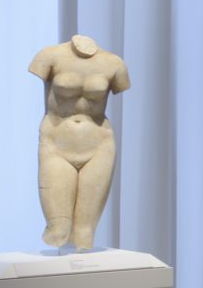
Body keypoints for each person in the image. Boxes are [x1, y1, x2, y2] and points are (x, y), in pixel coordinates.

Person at [29, 34, 129, 251]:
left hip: (98, 145)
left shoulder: (114, 64)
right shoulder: (50, 56)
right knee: (59, 229)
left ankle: (80, 278)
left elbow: (121, 86)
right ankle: (61, 274)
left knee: (84, 231)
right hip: (57, 143)